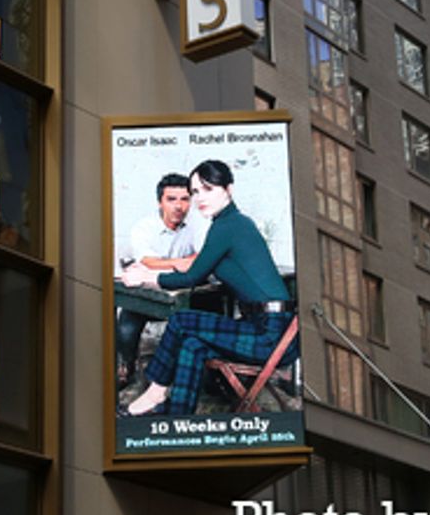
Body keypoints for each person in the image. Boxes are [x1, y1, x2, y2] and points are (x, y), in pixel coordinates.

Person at [120, 159, 296, 416]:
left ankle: (156, 392)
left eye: (208, 189)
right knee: (192, 345)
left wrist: (146, 278)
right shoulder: (230, 224)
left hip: (270, 335)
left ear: (228, 189)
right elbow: (196, 266)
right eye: (195, 192)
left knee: (181, 321)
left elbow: (191, 276)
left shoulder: (228, 226)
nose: (200, 198)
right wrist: (148, 272)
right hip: (263, 326)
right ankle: (177, 414)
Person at [115, 173, 199, 386]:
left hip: (178, 293)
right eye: (171, 199)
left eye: (184, 199)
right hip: (148, 292)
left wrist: (178, 263)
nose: (179, 206)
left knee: (207, 308)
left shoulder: (195, 226)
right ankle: (127, 365)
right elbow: (149, 261)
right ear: (160, 202)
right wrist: (182, 263)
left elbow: (203, 257)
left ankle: (194, 374)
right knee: (128, 321)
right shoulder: (144, 227)